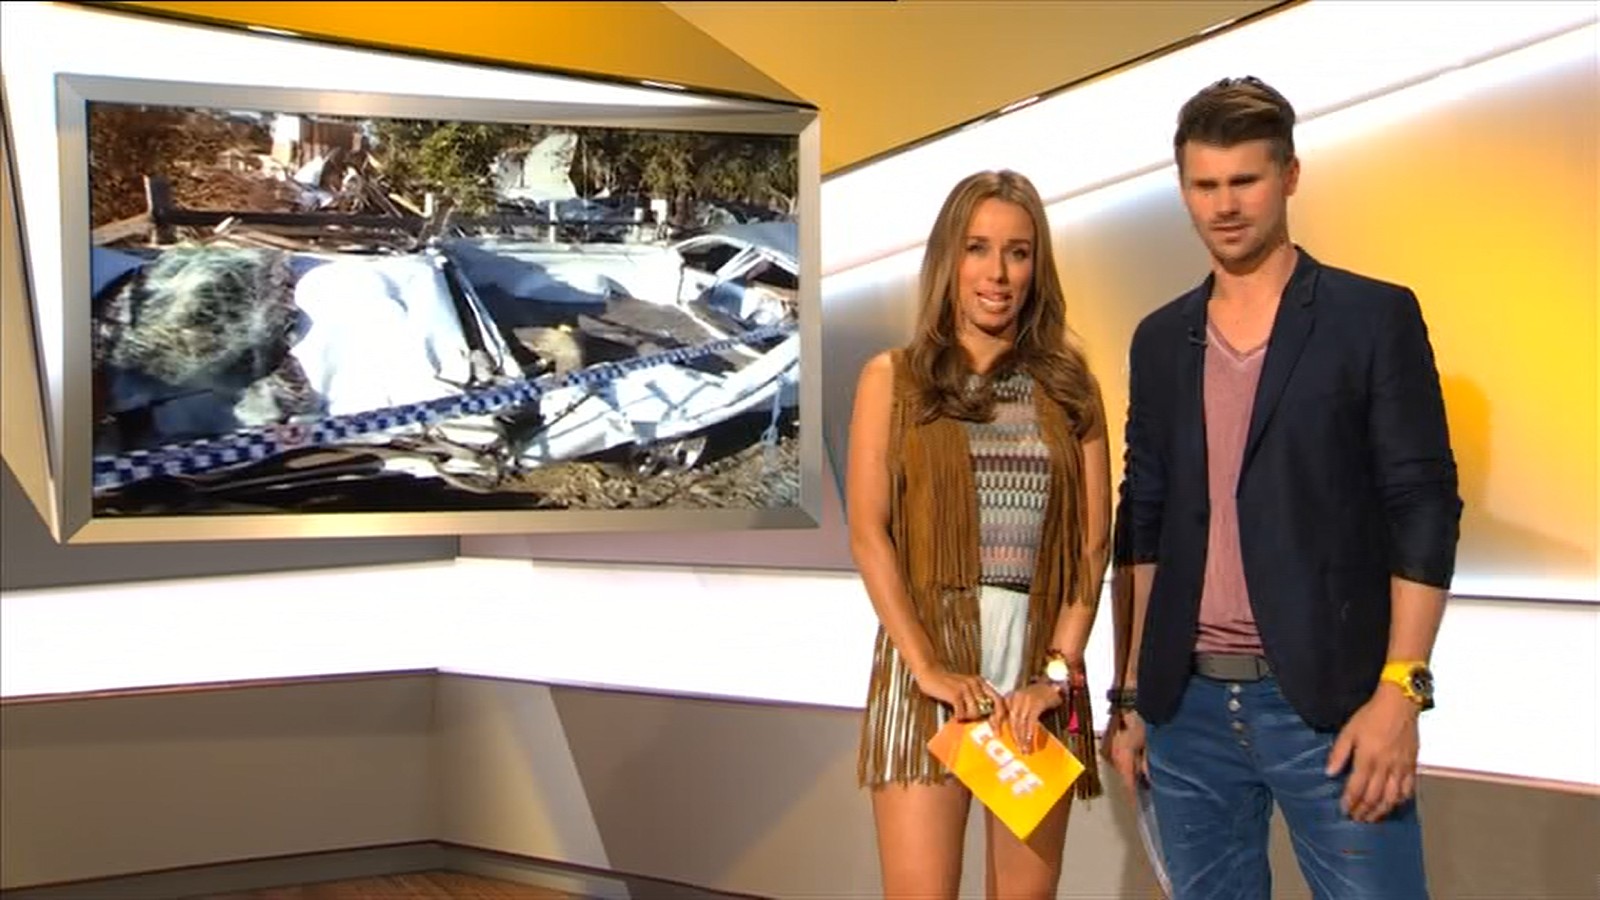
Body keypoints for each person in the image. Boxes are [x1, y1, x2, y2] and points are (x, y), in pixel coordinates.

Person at [1102, 76, 1462, 899]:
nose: (1224, 205)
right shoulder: (1159, 340)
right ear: (1182, 189)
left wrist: (1402, 690)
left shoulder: (1371, 317)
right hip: (1185, 710)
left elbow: (1423, 506)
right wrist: (1132, 695)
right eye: (1204, 185)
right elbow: (1144, 520)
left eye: (1245, 181)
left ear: (1290, 175)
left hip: (1333, 707)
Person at [848, 169, 1109, 900]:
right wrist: (927, 665)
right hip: (929, 669)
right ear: (949, 259)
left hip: (1036, 680)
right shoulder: (892, 379)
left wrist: (1056, 674)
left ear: (1037, 267)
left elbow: (1092, 547)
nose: (998, 273)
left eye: (1018, 253)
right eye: (978, 248)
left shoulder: (1071, 387)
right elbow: (869, 533)